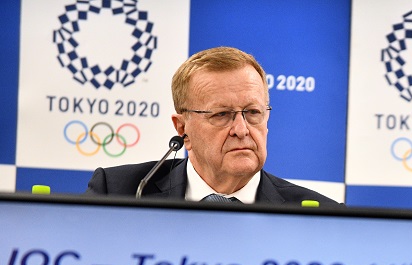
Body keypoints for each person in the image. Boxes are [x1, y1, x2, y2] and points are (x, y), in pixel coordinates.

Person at [86, 46, 338, 205]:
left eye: (252, 112)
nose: (241, 129)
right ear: (182, 129)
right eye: (221, 114)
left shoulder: (319, 215)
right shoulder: (122, 192)